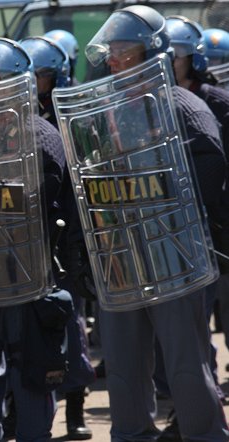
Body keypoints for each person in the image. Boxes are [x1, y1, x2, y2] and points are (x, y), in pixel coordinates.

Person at [83, 5, 229, 440]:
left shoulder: (183, 107)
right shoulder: (105, 107)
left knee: (185, 363)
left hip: (174, 256)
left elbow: (209, 183)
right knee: (123, 365)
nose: (112, 59)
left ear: (151, 52)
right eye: (110, 49)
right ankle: (131, 435)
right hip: (121, 257)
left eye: (122, 50)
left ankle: (205, 435)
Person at [0, 37, 72, 442]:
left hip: (26, 280)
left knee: (31, 381)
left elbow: (48, 211)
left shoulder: (40, 137)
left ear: (17, 85)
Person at [22, 34, 96, 441]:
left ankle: (75, 409)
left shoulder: (72, 114)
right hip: (25, 238)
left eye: (44, 75)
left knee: (71, 328)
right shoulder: (14, 116)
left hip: (63, 237)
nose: (37, 82)